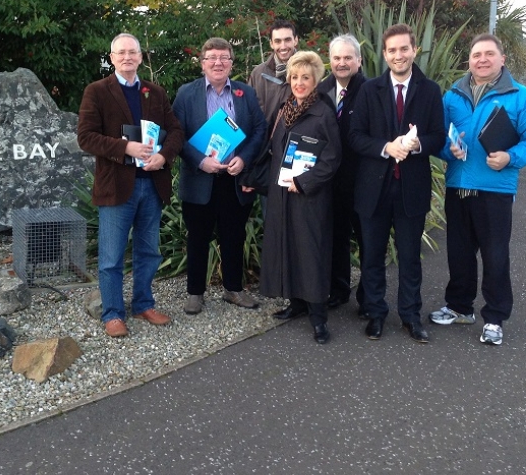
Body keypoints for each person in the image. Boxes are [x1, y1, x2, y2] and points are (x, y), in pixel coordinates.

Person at [428, 33, 526, 346]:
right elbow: (438, 136)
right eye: (476, 55)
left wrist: (511, 157)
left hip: (495, 189)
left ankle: (494, 317)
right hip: (458, 186)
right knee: (459, 254)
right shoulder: (453, 96)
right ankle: (459, 307)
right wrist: (447, 150)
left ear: (502, 59)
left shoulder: (520, 96)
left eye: (489, 54)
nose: (482, 59)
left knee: (495, 256)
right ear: (469, 60)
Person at [77, 33, 183, 338]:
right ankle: (112, 313)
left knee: (148, 252)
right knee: (111, 257)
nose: (127, 57)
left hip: (151, 184)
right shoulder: (97, 91)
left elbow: (175, 130)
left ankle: (143, 304)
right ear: (112, 58)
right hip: (116, 186)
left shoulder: (154, 92)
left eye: (132, 52)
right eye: (121, 52)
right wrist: (125, 147)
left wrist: (163, 156)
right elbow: (85, 137)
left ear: (140, 57)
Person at [349, 23, 446, 344]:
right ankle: (375, 313)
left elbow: (438, 136)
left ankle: (410, 316)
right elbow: (355, 136)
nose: (398, 55)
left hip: (411, 189)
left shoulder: (429, 90)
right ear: (384, 54)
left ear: (414, 50)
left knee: (409, 257)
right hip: (373, 189)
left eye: (404, 48)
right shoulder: (369, 90)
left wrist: (417, 145)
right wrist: (386, 147)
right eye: (392, 50)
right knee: (372, 256)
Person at [173, 38, 267, 315]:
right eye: (212, 57)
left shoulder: (244, 92)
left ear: (231, 63)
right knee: (197, 237)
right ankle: (195, 293)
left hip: (234, 178)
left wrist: (244, 158)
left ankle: (233, 289)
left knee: (234, 236)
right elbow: (176, 135)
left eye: (224, 57)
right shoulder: (186, 93)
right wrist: (200, 161)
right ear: (202, 63)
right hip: (199, 178)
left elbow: (260, 129)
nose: (218, 63)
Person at [258, 51, 342, 344]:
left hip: (309, 197)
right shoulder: (285, 109)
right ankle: (296, 303)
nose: (299, 83)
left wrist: (304, 182)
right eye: (294, 77)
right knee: (288, 248)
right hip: (282, 194)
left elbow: (332, 158)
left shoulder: (323, 113)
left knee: (310, 253)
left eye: (305, 77)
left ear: (315, 81)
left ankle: (319, 317)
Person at [316, 34, 367, 314]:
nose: (342, 63)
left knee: (367, 240)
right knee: (336, 239)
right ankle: (338, 290)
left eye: (348, 57)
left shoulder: (371, 90)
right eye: (337, 58)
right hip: (330, 181)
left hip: (361, 180)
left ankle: (368, 298)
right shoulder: (321, 90)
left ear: (358, 60)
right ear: (330, 60)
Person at [249, 19, 299, 123]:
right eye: (278, 41)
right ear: (271, 44)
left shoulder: (309, 72)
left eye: (287, 40)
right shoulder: (258, 74)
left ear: (295, 40)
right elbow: (248, 111)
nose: (283, 46)